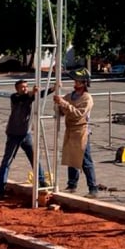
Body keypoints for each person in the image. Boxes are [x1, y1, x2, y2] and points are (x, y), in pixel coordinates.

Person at [0, 79, 52, 198]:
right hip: (14, 134)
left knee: (34, 158)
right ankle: (1, 188)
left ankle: (42, 181)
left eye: (26, 86)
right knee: (7, 160)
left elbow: (40, 94)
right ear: (17, 89)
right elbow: (24, 97)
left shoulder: (30, 97)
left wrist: (52, 88)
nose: (25, 88)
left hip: (26, 134)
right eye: (22, 87)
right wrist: (32, 92)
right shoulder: (15, 97)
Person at [54, 67, 99, 197]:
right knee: (71, 157)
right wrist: (59, 104)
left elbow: (78, 113)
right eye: (75, 81)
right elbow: (63, 111)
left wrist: (64, 104)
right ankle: (72, 184)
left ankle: (93, 188)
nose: (75, 83)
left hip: (81, 131)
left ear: (84, 83)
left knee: (85, 161)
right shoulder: (70, 96)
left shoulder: (87, 98)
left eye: (78, 81)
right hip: (70, 129)